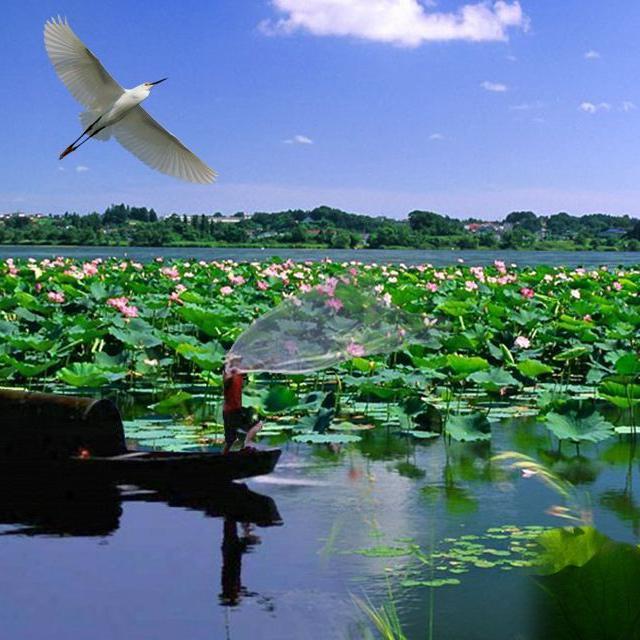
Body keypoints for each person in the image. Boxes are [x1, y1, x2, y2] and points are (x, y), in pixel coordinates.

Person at [222, 360, 263, 454]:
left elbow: (254, 366)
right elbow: (227, 378)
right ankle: (245, 447)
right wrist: (228, 366)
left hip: (231, 411)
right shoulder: (229, 376)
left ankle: (223, 457)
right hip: (231, 412)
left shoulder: (239, 373)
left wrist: (268, 362)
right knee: (257, 424)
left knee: (230, 440)